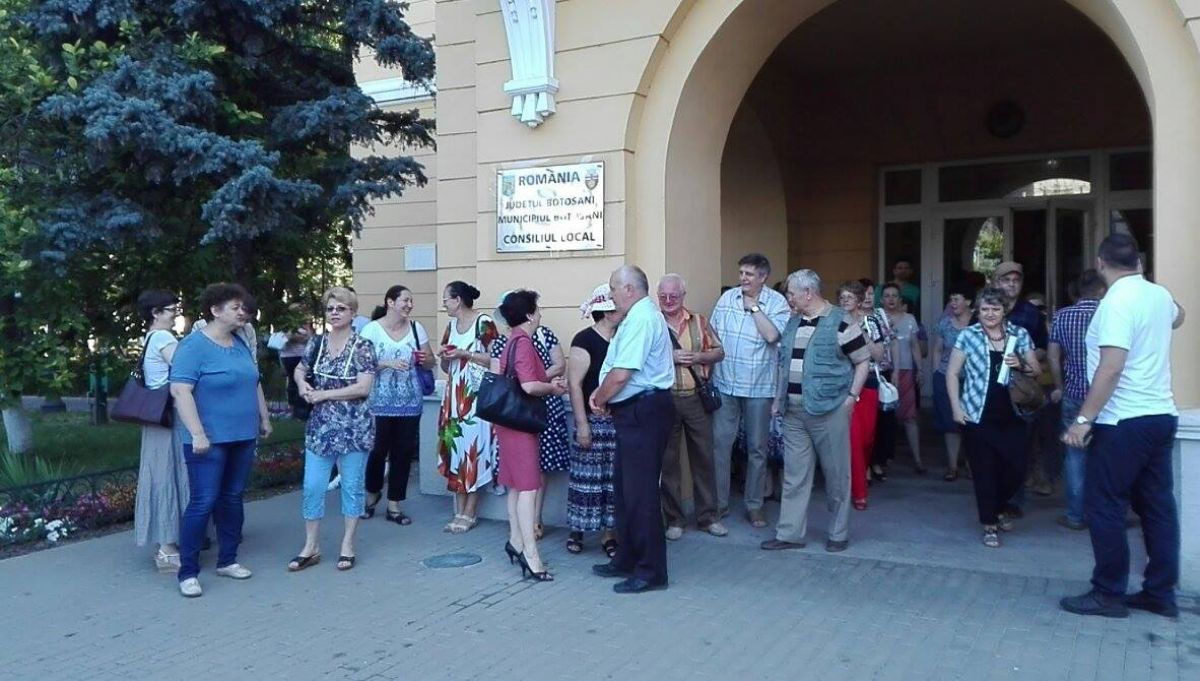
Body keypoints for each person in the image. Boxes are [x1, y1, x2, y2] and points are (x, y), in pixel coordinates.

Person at [1060, 233, 1185, 619]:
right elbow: (1179, 316)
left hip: (1123, 421)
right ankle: (1160, 594)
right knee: (1158, 506)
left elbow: (1111, 367)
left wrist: (1083, 420)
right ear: (1139, 263)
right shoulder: (1158, 295)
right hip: (1161, 415)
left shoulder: (1115, 303)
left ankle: (1108, 593)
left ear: (1100, 263)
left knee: (1105, 506)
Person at [170, 283, 272, 598]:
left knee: (232, 498)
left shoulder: (240, 341)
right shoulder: (193, 346)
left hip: (243, 435)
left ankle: (228, 560)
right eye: (235, 307)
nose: (243, 313)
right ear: (215, 310)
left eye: (244, 308)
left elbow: (253, 381)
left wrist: (264, 417)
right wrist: (198, 433)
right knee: (203, 501)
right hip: (209, 440)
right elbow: (180, 391)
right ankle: (188, 572)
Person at [761, 270, 869, 553]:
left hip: (829, 410)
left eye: (791, 293)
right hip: (794, 412)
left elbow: (862, 360)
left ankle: (838, 533)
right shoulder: (793, 321)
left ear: (808, 293)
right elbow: (783, 364)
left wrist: (852, 397)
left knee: (837, 475)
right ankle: (789, 534)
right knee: (794, 475)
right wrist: (778, 399)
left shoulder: (841, 320)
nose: (788, 298)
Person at [590, 265, 676, 594]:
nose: (610, 294)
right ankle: (627, 557)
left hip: (644, 410)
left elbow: (622, 374)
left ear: (629, 289)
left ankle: (651, 571)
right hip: (634, 411)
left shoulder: (641, 318)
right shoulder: (636, 317)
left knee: (641, 495)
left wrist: (599, 398)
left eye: (613, 287)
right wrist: (605, 396)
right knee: (626, 491)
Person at [286, 287, 377, 572]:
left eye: (341, 308)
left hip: (354, 427)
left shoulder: (362, 346)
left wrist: (325, 394)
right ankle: (311, 546)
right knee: (313, 485)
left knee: (351, 486)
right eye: (330, 308)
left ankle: (348, 544)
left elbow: (363, 387)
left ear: (353, 313)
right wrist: (302, 385)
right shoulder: (316, 343)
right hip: (321, 426)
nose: (335, 313)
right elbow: (300, 369)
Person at [946, 287, 1040, 549]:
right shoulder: (969, 335)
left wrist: (1021, 364)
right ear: (977, 310)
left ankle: (999, 507)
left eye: (995, 309)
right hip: (977, 414)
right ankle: (989, 523)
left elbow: (1035, 370)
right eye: (985, 309)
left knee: (1016, 469)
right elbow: (952, 373)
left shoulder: (1019, 334)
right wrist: (956, 407)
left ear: (1004, 310)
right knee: (984, 471)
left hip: (1014, 414)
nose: (989, 314)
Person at [709, 253, 790, 526]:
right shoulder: (727, 299)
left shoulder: (777, 303)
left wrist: (754, 308)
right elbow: (712, 334)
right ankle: (718, 505)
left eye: (749, 274)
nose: (743, 278)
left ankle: (754, 505)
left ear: (763, 277)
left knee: (757, 449)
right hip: (725, 383)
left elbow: (772, 336)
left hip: (759, 386)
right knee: (721, 446)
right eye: (741, 273)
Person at [493, 290, 569, 582]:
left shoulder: (511, 340)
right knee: (528, 487)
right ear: (528, 314)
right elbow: (528, 386)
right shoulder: (524, 342)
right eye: (536, 309)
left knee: (515, 485)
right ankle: (531, 554)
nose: (539, 314)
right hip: (522, 423)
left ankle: (515, 541)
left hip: (509, 421)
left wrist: (546, 382)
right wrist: (553, 388)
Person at [657, 274, 728, 539]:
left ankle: (708, 518)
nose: (668, 300)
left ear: (683, 295)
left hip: (696, 398)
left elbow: (720, 352)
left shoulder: (699, 321)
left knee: (704, 458)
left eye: (673, 296)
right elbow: (639, 358)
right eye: (663, 296)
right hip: (664, 399)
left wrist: (697, 357)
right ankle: (674, 520)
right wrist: (670, 357)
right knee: (668, 462)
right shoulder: (651, 324)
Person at [359, 285, 435, 525]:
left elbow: (430, 362)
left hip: (410, 402)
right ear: (390, 302)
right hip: (378, 402)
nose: (409, 305)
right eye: (405, 300)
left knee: (403, 453)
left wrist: (425, 359)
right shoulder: (372, 329)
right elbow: (360, 363)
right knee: (377, 451)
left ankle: (394, 505)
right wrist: (386, 363)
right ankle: (372, 493)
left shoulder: (416, 328)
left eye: (411, 301)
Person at [436, 281, 499, 533]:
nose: (444, 304)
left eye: (446, 299)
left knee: (473, 452)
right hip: (453, 400)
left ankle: (470, 512)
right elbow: (446, 368)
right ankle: (459, 510)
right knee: (455, 452)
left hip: (475, 400)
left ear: (458, 300)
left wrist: (466, 354)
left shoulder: (483, 322)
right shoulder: (450, 327)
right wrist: (444, 356)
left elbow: (496, 358)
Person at [132, 290, 186, 572]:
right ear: (155, 313)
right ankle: (167, 548)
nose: (175, 314)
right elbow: (185, 369)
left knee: (160, 475)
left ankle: (168, 541)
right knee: (168, 476)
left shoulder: (150, 337)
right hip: (169, 416)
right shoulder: (163, 337)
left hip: (156, 417)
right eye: (171, 309)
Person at [565, 284, 620, 556]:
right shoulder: (584, 340)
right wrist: (582, 424)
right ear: (607, 312)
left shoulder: (623, 338)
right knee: (585, 479)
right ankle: (577, 530)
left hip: (617, 421)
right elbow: (574, 384)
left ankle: (609, 534)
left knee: (612, 480)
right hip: (592, 419)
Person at [1048, 270, 1106, 531]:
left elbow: (1053, 357)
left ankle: (1075, 515)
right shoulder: (1109, 313)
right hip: (1107, 396)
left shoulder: (1062, 316)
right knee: (1109, 455)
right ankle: (1108, 514)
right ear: (1101, 290)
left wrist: (1059, 386)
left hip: (1073, 393)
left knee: (1074, 455)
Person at [991, 261, 1048, 518]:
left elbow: (1043, 347)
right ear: (996, 282)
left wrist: (1023, 358)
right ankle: (993, 498)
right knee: (992, 447)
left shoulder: (1031, 313)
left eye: (1016, 280)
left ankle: (1014, 499)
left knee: (1020, 448)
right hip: (991, 388)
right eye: (1006, 280)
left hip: (1021, 389)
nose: (1011, 284)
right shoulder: (986, 309)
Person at [836, 281, 884, 510]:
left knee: (866, 440)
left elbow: (879, 355)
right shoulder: (833, 322)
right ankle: (858, 493)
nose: (845, 300)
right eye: (842, 297)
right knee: (853, 439)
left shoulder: (871, 322)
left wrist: (859, 333)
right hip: (843, 385)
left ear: (859, 300)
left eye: (850, 297)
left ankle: (861, 473)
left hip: (868, 383)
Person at [931, 284, 975, 481]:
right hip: (946, 377)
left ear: (969, 301)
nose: (952, 303)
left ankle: (972, 464)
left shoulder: (978, 322)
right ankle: (952, 465)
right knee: (950, 422)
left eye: (957, 299)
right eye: (951, 299)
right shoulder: (945, 323)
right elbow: (937, 349)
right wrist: (935, 372)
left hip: (972, 380)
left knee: (972, 422)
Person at [881, 282, 925, 473]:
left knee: (910, 417)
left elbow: (915, 346)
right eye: (887, 296)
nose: (891, 299)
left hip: (906, 371)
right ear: (881, 299)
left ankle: (918, 459)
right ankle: (883, 459)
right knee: (884, 418)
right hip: (883, 372)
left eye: (894, 296)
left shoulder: (910, 319)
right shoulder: (877, 318)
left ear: (900, 299)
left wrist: (920, 369)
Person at [859, 279, 896, 483]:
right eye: (864, 293)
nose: (868, 297)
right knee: (866, 424)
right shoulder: (851, 316)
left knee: (884, 421)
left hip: (883, 372)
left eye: (871, 293)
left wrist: (895, 371)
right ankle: (865, 464)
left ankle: (877, 461)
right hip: (862, 374)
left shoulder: (881, 315)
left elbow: (892, 343)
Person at [278, 307, 315, 420]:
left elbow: (310, 339)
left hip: (302, 356)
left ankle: (303, 409)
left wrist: (305, 330)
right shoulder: (288, 324)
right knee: (293, 382)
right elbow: (284, 339)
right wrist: (295, 335)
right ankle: (293, 408)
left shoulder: (306, 325)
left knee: (304, 381)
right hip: (289, 357)